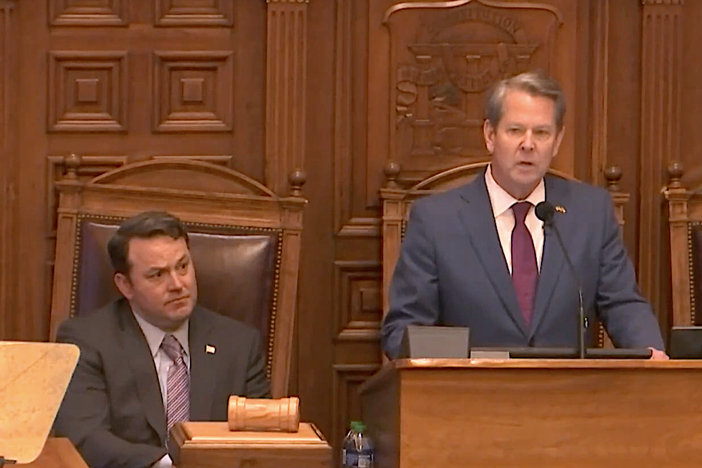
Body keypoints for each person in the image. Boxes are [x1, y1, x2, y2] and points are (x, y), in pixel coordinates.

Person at [381, 71, 667, 360]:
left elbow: (622, 303)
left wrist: (652, 352)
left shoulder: (590, 212)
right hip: (470, 396)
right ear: (490, 136)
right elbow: (404, 328)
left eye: (541, 133)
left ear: (557, 141)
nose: (528, 144)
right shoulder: (436, 220)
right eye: (515, 130)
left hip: (568, 395)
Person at [54, 211, 271, 468]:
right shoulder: (86, 341)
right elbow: (84, 438)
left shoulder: (240, 344)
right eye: (157, 275)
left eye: (182, 266)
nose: (178, 284)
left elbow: (262, 440)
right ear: (125, 285)